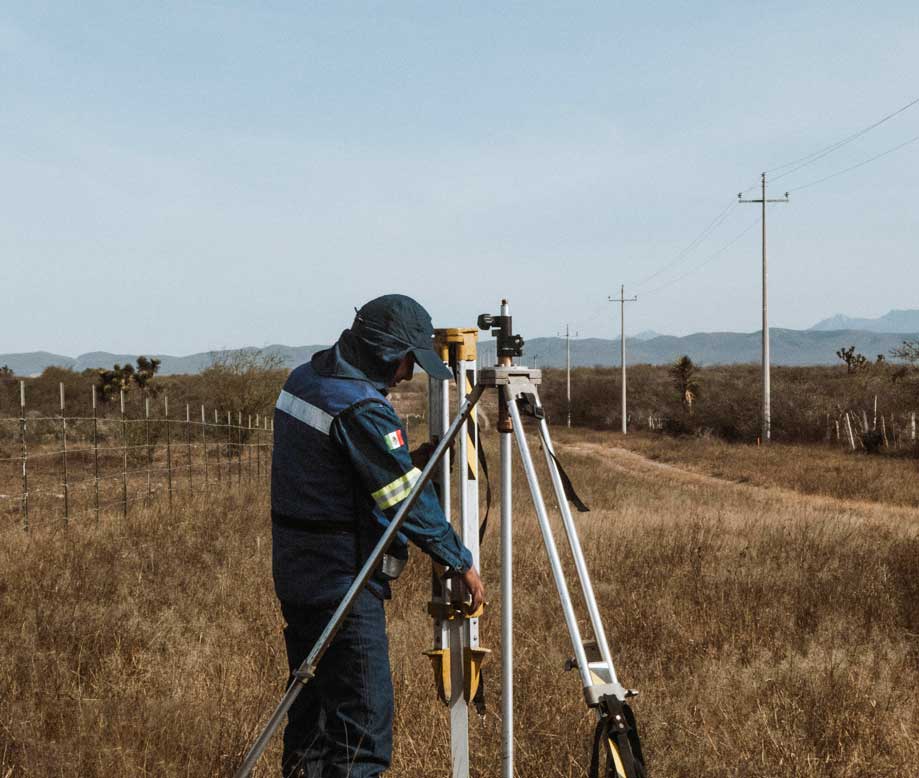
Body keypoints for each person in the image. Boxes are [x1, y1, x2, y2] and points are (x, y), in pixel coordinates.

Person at [271, 294, 485, 778]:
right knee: (361, 733)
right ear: (387, 352)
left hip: (299, 575)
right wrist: (459, 560)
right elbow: (403, 502)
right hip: (342, 585)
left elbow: (339, 475)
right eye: (409, 360)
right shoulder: (360, 407)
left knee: (313, 720)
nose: (408, 375)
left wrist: (402, 462)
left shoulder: (304, 379)